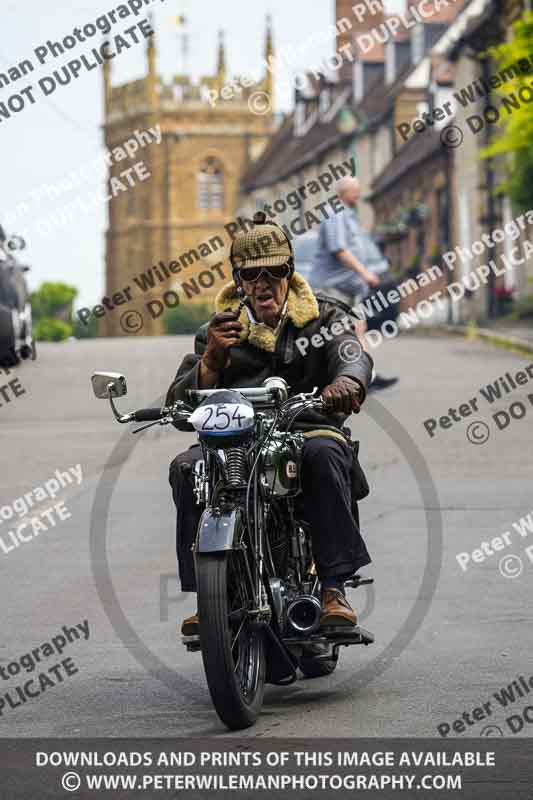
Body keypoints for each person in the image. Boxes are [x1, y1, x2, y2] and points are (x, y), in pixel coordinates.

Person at [167, 213, 374, 638]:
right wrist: (210, 363)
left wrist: (347, 381)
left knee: (324, 454)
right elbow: (180, 405)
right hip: (236, 440)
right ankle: (210, 598)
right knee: (187, 468)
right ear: (238, 279)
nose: (264, 283)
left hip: (305, 428)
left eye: (275, 271)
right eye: (252, 274)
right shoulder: (218, 331)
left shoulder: (323, 318)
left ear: (290, 272)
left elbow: (352, 352)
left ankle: (333, 589)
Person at [313, 176, 398, 391]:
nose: (358, 195)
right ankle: (337, 379)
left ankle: (367, 375)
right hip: (333, 287)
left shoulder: (349, 216)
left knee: (358, 327)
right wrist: (366, 273)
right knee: (337, 331)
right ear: (342, 192)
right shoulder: (335, 215)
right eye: (354, 191)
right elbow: (340, 250)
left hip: (348, 287)